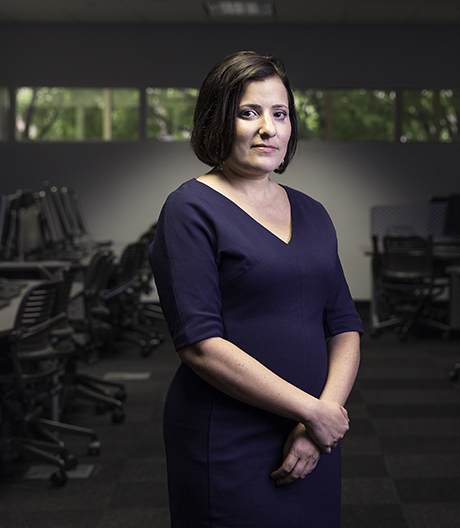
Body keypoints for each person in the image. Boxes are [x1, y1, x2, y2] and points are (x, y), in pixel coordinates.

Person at [149, 50, 362, 527]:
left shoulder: (312, 212)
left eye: (280, 113)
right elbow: (200, 345)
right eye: (249, 112)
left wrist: (321, 418)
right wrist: (313, 411)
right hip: (228, 434)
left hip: (312, 435)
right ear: (217, 120)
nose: (269, 128)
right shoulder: (189, 210)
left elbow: (344, 323)